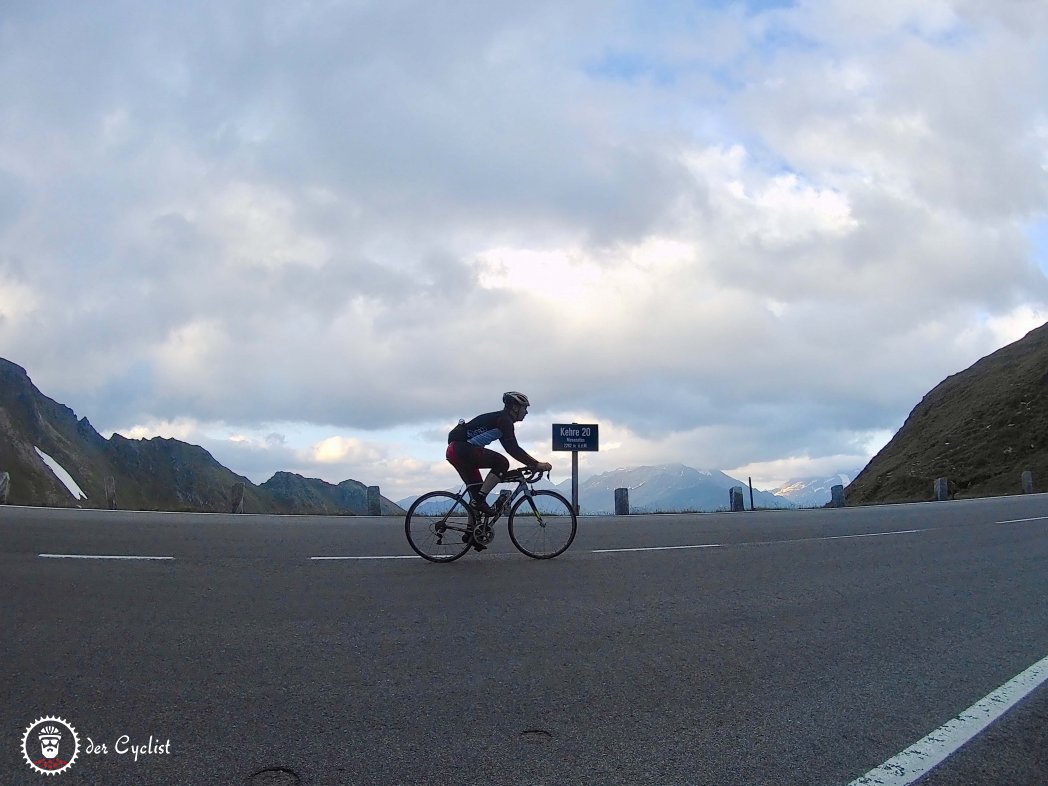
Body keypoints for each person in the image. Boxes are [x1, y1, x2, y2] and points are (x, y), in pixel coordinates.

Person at [446, 391, 553, 515]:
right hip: (461, 449)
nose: (526, 412)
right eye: (525, 408)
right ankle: (479, 501)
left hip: (455, 451)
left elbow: (510, 448)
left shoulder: (501, 421)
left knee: (477, 495)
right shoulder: (504, 420)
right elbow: (513, 449)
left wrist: (532, 463)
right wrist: (536, 464)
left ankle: (471, 532)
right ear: (515, 407)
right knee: (502, 462)